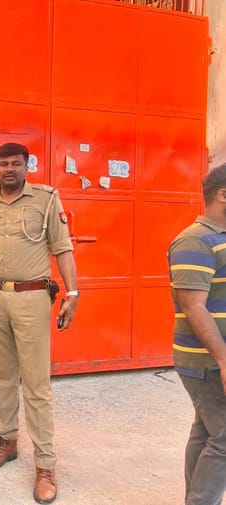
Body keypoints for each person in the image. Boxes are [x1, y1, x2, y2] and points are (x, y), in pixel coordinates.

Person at [0, 142, 78, 504]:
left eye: (16, 163)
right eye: (3, 163)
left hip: (31, 297)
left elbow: (63, 248)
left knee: (37, 383)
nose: (9, 169)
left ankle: (45, 464)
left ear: (27, 166)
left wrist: (73, 293)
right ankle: (6, 441)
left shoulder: (46, 200)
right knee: (3, 376)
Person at [168, 162, 226, 505]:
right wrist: (224, 360)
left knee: (206, 430)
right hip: (206, 360)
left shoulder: (220, 238)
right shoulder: (195, 240)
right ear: (223, 195)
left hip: (216, 358)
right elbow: (194, 307)